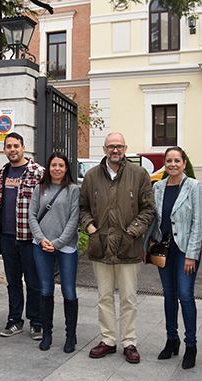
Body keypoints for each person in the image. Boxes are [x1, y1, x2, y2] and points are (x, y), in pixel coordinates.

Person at [79, 132, 155, 364]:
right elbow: (82, 208)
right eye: (111, 146)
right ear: (104, 149)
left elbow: (149, 209)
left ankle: (129, 342)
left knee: (128, 299)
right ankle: (108, 340)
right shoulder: (92, 176)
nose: (115, 150)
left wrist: (132, 231)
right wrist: (90, 227)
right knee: (104, 297)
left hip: (128, 247)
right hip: (100, 247)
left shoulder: (139, 174)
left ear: (125, 148)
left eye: (119, 146)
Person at [145, 146, 202, 369]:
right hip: (164, 249)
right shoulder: (158, 187)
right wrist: (148, 245)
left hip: (185, 251)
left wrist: (192, 255)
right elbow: (154, 219)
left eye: (177, 161)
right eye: (168, 161)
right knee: (169, 295)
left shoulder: (194, 187)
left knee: (185, 295)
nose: (172, 164)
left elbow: (198, 222)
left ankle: (191, 345)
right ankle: (172, 339)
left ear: (184, 162)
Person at [27, 152, 80, 353]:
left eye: (61, 165)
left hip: (65, 247)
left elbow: (73, 220)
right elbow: (32, 215)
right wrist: (41, 239)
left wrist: (57, 243)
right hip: (41, 246)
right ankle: (47, 333)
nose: (57, 168)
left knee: (68, 291)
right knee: (45, 290)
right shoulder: (39, 188)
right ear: (48, 168)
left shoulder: (73, 190)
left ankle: (70, 336)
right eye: (53, 165)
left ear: (66, 168)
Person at [0, 132, 45, 340]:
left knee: (33, 281)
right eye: (9, 146)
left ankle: (36, 322)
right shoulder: (3, 172)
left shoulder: (37, 172)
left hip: (29, 237)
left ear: (23, 147)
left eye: (16, 146)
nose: (12, 150)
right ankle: (14, 320)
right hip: (7, 236)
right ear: (5, 149)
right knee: (13, 281)